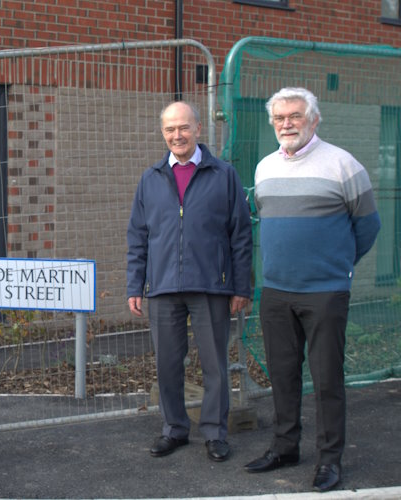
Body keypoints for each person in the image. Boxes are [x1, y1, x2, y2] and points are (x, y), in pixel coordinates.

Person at [244, 87, 381, 492]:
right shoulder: (264, 167)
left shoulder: (343, 165)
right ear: (272, 123)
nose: (287, 124)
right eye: (280, 118)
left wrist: (336, 268)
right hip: (276, 292)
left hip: (325, 293)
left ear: (314, 119)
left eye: (295, 116)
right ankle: (285, 447)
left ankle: (329, 460)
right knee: (283, 376)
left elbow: (368, 227)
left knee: (326, 380)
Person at [126, 101, 252, 463]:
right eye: (170, 129)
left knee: (214, 363)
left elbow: (240, 235)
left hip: (211, 285)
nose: (177, 136)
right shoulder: (150, 178)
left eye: (183, 127)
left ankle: (214, 432)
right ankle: (174, 430)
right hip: (163, 288)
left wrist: (241, 286)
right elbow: (138, 236)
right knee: (167, 363)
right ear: (162, 133)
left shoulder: (223, 174)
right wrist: (136, 285)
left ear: (198, 128)